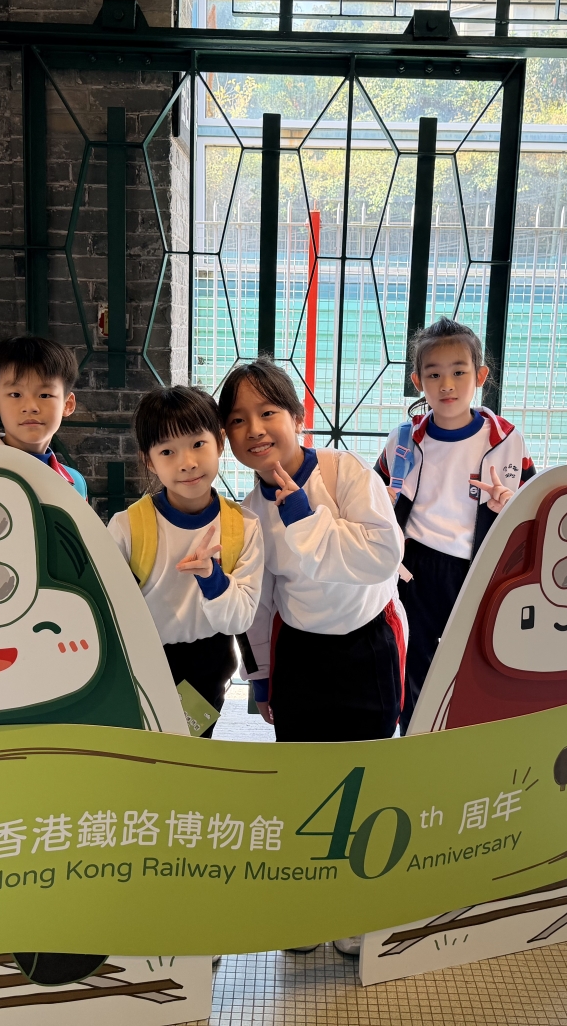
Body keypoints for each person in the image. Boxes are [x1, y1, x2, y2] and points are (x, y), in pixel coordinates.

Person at [225, 359, 404, 958]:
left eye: (267, 412)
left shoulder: (345, 472)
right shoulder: (248, 513)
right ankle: (304, 904)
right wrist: (261, 677)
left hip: (367, 644)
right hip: (300, 652)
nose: (255, 429)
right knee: (301, 782)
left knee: (363, 779)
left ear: (297, 416)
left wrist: (304, 515)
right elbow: (258, 603)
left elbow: (380, 556)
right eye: (238, 420)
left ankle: (352, 906)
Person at [375, 317, 536, 734]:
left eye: (459, 372)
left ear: (480, 376)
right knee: (414, 663)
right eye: (434, 374)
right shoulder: (403, 439)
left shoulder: (506, 440)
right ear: (418, 381)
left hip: (477, 569)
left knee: (475, 660)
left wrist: (508, 504)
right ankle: (414, 742)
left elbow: (532, 509)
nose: (447, 384)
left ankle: (467, 743)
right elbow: (375, 498)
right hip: (414, 570)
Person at [108, 386, 263, 737]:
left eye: (198, 443)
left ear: (219, 442)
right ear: (149, 460)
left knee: (191, 756)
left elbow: (240, 618)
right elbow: (109, 609)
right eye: (167, 451)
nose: (187, 462)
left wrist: (212, 579)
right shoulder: (127, 527)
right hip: (142, 662)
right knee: (141, 755)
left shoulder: (244, 526)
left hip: (209, 664)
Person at [0, 335, 88, 498]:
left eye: (45, 395)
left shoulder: (75, 483)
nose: (30, 407)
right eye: (15, 394)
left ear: (67, 405)